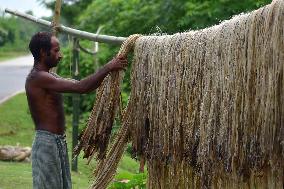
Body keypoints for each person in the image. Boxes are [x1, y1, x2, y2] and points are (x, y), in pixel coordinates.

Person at [25, 31, 127, 189]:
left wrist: (109, 69)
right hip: (47, 143)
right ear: (43, 53)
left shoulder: (50, 76)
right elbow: (81, 87)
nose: (61, 55)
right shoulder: (38, 78)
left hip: (57, 141)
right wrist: (108, 66)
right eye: (56, 50)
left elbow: (83, 85)